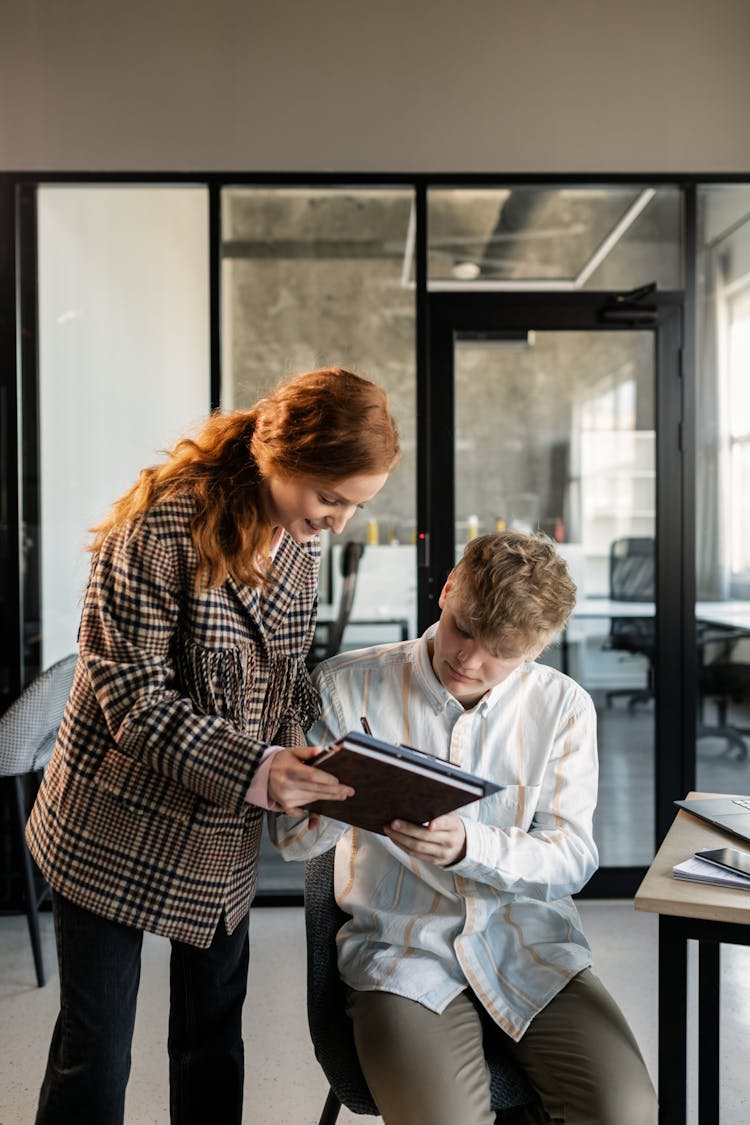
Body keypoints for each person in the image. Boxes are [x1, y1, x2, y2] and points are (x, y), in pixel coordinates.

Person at [26, 366, 399, 1125]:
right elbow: (132, 697)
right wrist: (263, 766)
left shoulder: (301, 545)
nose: (337, 522)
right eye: (330, 497)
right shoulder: (160, 529)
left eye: (354, 506)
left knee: (212, 1039)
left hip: (217, 826)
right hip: (113, 823)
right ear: (281, 455)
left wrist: (315, 747)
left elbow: (287, 669)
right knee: (96, 1051)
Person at [270, 530, 658, 1125]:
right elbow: (293, 845)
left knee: (625, 1111)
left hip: (531, 946)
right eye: (464, 628)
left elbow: (573, 857)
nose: (469, 660)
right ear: (448, 589)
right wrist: (326, 795)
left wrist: (469, 845)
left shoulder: (563, 707)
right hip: (403, 952)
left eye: (500, 651)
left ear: (538, 649)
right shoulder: (344, 686)